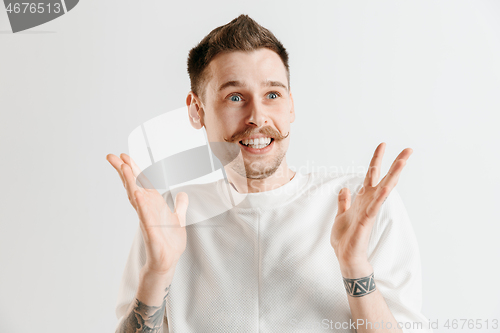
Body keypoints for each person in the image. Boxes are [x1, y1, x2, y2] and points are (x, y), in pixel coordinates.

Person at [107, 14, 431, 333]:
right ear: (197, 110)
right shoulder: (171, 216)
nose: (257, 116)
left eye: (272, 95)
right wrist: (158, 273)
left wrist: (356, 269)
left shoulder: (362, 207)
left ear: (291, 105)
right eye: (235, 97)